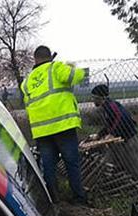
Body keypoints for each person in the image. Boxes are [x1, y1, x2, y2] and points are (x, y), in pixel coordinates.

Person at [21, 46, 87, 204]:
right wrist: (71, 66)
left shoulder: (27, 82)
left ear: (35, 59)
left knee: (48, 166)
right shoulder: (56, 67)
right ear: (49, 56)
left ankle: (53, 200)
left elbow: (28, 106)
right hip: (63, 126)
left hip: (42, 131)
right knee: (71, 162)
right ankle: (79, 198)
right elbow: (78, 76)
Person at [91, 84, 138, 192]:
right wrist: (99, 135)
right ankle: (111, 188)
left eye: (94, 97)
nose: (93, 100)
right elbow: (110, 125)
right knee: (108, 163)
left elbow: (122, 118)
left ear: (100, 97)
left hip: (129, 139)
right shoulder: (106, 108)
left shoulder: (111, 106)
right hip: (119, 142)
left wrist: (113, 133)